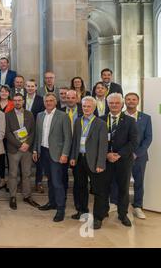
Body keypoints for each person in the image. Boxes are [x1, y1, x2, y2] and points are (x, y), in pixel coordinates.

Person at [69, 96, 108, 229]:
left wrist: (101, 163)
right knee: (80, 187)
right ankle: (82, 210)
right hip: (80, 159)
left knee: (98, 190)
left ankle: (98, 217)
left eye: (89, 106)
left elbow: (103, 146)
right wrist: (73, 157)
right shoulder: (78, 121)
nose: (86, 108)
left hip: (94, 161)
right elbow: (75, 141)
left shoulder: (101, 123)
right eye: (84, 106)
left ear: (94, 108)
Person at [101, 93, 138, 227]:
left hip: (123, 161)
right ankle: (101, 213)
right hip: (105, 160)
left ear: (122, 104)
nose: (114, 105)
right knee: (103, 188)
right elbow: (96, 141)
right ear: (108, 104)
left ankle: (123, 214)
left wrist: (118, 154)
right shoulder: (100, 119)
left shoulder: (130, 121)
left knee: (123, 189)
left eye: (117, 103)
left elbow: (133, 142)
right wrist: (107, 154)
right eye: (111, 103)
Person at [34, 93, 72, 222]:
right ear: (44, 102)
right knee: (50, 180)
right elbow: (38, 135)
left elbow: (68, 138)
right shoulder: (40, 115)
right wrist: (35, 150)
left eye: (51, 100)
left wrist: (65, 154)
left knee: (57, 182)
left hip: (57, 154)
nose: (48, 102)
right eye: (46, 101)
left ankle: (61, 208)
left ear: (55, 102)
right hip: (43, 152)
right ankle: (52, 202)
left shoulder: (63, 116)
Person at [5, 93, 40, 210]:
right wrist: (20, 145)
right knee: (13, 174)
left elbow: (33, 132)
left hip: (27, 149)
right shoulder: (8, 115)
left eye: (19, 100)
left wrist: (27, 144)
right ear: (12, 102)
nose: (17, 102)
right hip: (14, 149)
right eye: (15, 100)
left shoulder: (30, 115)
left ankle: (27, 196)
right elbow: (7, 133)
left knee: (26, 174)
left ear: (23, 101)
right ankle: (13, 196)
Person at [122, 93, 152, 219]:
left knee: (139, 182)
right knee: (120, 181)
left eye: (134, 99)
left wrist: (137, 153)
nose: (131, 101)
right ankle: (119, 205)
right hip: (122, 156)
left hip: (139, 157)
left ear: (138, 101)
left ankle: (137, 206)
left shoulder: (145, 118)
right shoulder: (120, 116)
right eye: (128, 99)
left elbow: (148, 138)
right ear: (125, 101)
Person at [0, 85, 14, 191]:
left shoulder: (12, 104)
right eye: (2, 91)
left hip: (10, 135)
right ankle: (2, 179)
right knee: (1, 159)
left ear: (9, 93)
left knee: (10, 158)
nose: (4, 93)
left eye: (6, 91)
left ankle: (10, 180)